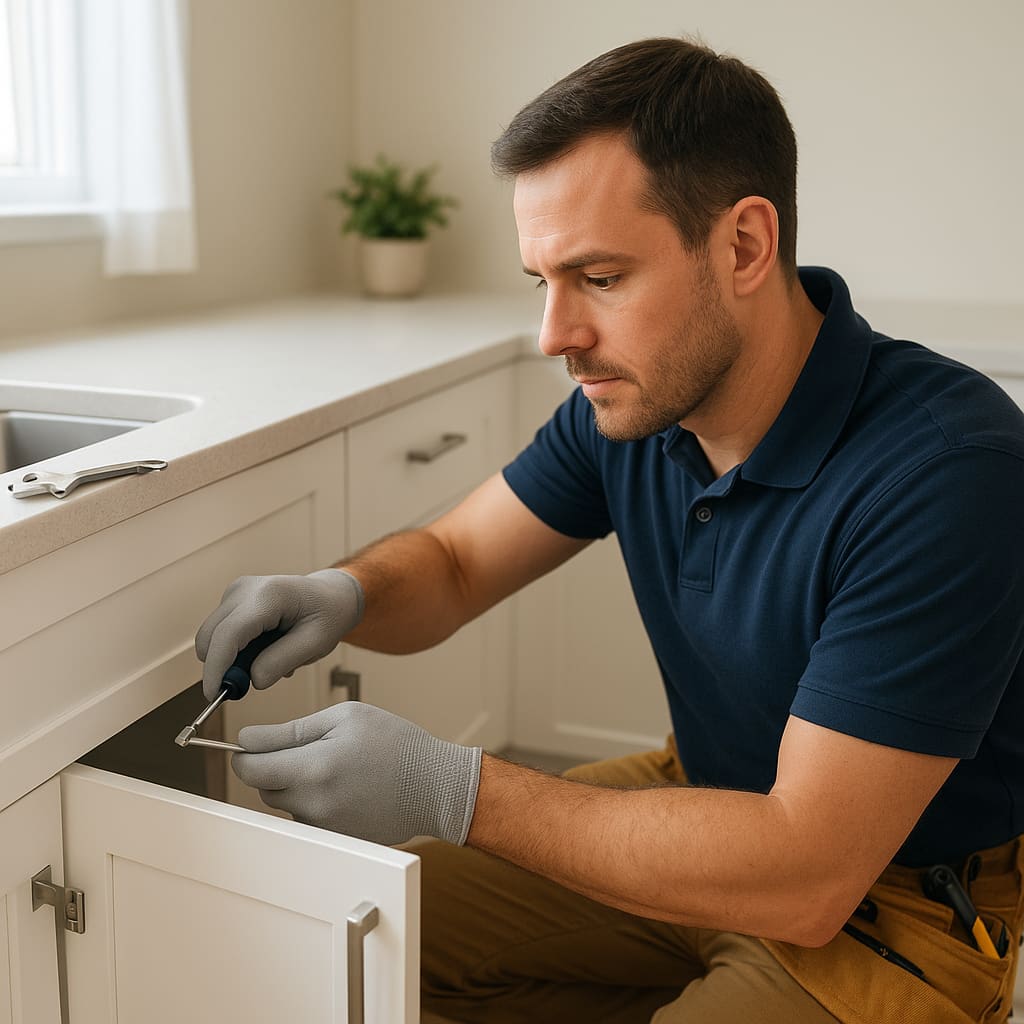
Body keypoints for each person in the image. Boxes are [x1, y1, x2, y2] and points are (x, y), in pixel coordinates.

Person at [195, 36, 1024, 1024]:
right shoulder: (634, 407)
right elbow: (457, 562)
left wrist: (457, 787)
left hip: (888, 906)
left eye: (597, 276)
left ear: (744, 247)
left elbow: (808, 872)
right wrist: (346, 591)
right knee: (342, 932)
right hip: (703, 793)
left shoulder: (948, 470)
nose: (556, 335)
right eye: (540, 280)